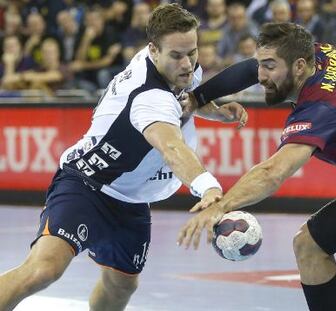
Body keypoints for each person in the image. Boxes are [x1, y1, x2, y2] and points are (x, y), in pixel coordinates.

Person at [0, 4, 247, 311]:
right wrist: (208, 187)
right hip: (86, 185)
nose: (187, 64)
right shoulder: (148, 98)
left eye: (192, 52)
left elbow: (187, 94)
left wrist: (217, 112)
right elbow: (171, 146)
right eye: (177, 56)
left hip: (130, 198)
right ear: (153, 50)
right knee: (43, 270)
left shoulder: (167, 63)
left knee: (122, 283)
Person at [178, 22, 336, 311]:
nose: (261, 76)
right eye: (261, 65)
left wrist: (220, 206)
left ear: (299, 66)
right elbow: (251, 68)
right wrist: (198, 97)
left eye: (269, 67)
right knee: (310, 243)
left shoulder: (321, 108)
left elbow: (273, 172)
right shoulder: (322, 55)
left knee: (310, 243)